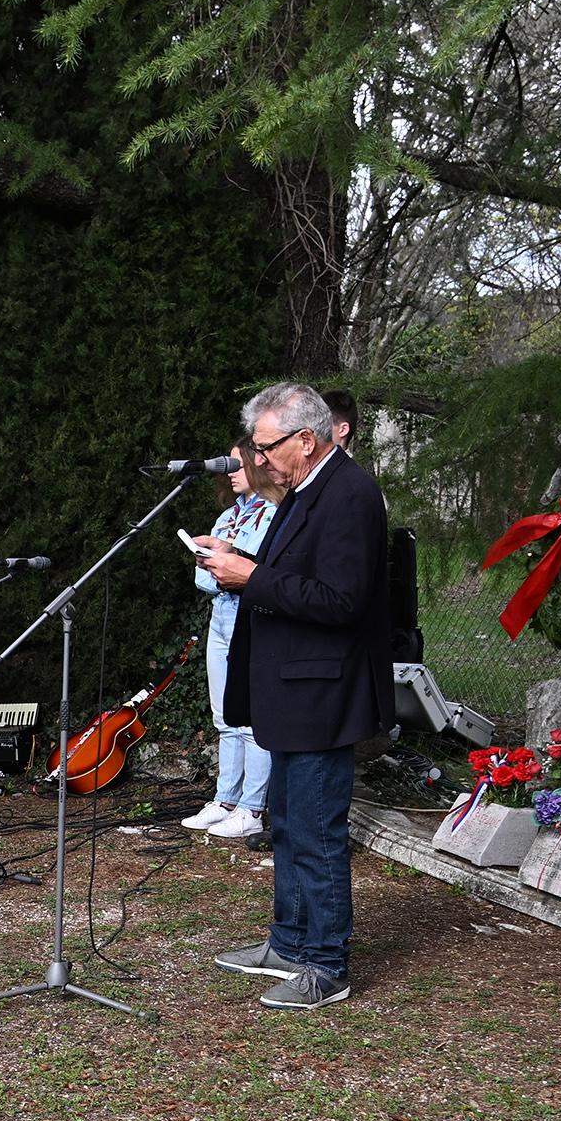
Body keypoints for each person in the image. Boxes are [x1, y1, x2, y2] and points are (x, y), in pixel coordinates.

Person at [198, 381, 392, 1008]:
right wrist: (236, 560)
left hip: (322, 694)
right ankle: (288, 940)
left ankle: (327, 963)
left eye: (266, 446)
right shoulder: (303, 490)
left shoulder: (351, 494)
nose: (257, 460)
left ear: (306, 440)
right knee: (286, 823)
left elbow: (342, 601)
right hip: (291, 689)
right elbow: (295, 574)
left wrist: (251, 576)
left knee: (315, 830)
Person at [183, 443, 278, 841]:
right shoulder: (229, 515)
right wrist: (222, 569)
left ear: (259, 464)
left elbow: (260, 573)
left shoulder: (272, 514)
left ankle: (252, 808)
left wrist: (233, 569)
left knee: (252, 718)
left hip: (250, 621)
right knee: (225, 717)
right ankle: (225, 799)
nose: (230, 471)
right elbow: (205, 579)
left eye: (237, 463)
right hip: (221, 620)